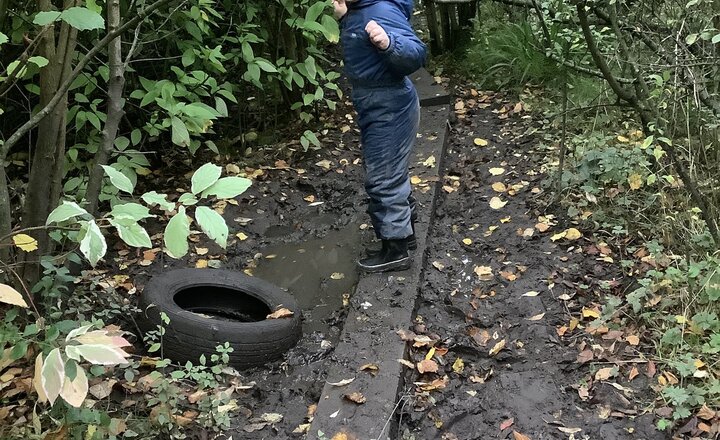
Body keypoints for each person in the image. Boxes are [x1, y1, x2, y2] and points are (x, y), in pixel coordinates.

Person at [333, 0, 427, 273]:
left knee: (383, 178)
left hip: (389, 104)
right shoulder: (359, 10)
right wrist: (344, 19)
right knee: (390, 171)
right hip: (376, 101)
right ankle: (404, 235)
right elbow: (361, 46)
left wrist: (389, 43)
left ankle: (395, 249)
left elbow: (416, 53)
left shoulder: (381, 11)